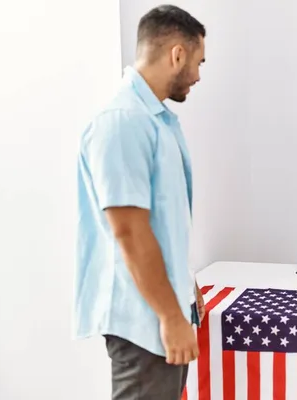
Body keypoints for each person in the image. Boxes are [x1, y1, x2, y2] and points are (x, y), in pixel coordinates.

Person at [73, 5, 206, 399]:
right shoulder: (123, 121)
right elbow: (129, 230)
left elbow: (165, 222)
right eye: (198, 62)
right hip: (144, 320)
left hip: (165, 308)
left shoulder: (156, 122)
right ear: (177, 54)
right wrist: (169, 315)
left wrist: (186, 285)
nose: (198, 75)